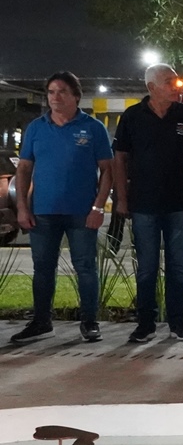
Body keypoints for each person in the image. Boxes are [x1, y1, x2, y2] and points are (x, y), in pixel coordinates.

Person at [10, 72, 113, 344]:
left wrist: (98, 208)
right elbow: (24, 170)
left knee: (86, 268)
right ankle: (41, 322)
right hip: (43, 212)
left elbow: (107, 171)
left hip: (82, 213)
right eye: (51, 92)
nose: (55, 97)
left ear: (76, 96)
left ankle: (89, 322)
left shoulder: (93, 128)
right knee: (43, 268)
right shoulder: (36, 128)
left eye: (62, 91)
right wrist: (22, 207)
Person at [113, 64, 183, 343]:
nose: (176, 86)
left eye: (176, 81)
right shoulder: (132, 116)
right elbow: (119, 158)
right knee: (146, 268)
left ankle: (178, 322)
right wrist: (121, 198)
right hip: (143, 204)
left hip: (179, 203)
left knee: (178, 266)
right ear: (151, 87)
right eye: (169, 81)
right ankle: (145, 324)